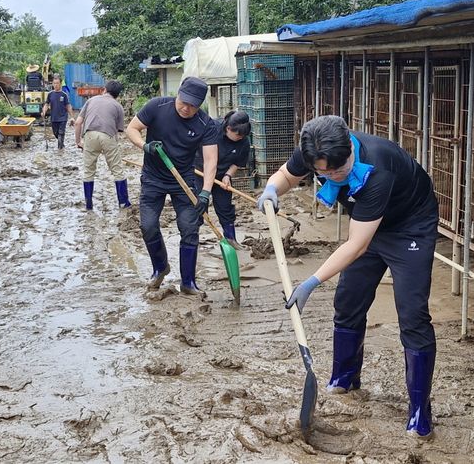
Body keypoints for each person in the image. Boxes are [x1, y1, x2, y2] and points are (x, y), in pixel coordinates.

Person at [256, 115, 438, 439]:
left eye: (336, 172)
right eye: (321, 172)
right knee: (349, 300)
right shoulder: (315, 148)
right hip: (366, 225)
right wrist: (271, 189)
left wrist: (311, 281)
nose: (328, 176)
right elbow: (287, 174)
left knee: (412, 314)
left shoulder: (378, 167)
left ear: (349, 153)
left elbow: (356, 245)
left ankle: (420, 411)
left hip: (409, 226)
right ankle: (344, 378)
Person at [126, 76, 219, 294]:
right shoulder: (157, 107)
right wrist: (144, 146)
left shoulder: (206, 124)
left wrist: (205, 193)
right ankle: (160, 268)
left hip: (183, 181)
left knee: (189, 228)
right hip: (152, 178)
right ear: (178, 94)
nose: (186, 108)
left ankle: (188, 283)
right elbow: (132, 128)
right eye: (183, 102)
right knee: (148, 226)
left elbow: (210, 160)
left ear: (200, 105)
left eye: (192, 105)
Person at [194, 110, 251, 250]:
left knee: (225, 207)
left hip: (221, 176)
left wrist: (228, 175)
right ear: (228, 128)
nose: (241, 137)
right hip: (200, 172)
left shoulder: (243, 142)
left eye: (243, 135)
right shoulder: (212, 129)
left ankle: (231, 239)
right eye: (238, 135)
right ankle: (191, 239)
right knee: (198, 206)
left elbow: (238, 162)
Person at [74, 80, 130, 210]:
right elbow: (118, 131)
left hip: (89, 135)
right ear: (117, 95)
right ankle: (123, 203)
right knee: (117, 170)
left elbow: (78, 123)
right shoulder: (118, 106)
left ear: (104, 90)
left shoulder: (91, 101)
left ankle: (89, 205)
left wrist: (78, 142)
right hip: (108, 136)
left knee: (88, 171)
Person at [42, 77, 75, 150]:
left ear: (60, 84)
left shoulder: (64, 94)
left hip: (63, 117)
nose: (56, 85)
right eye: (54, 83)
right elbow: (47, 104)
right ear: (52, 84)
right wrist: (44, 111)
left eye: (57, 83)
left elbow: (68, 106)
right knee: (55, 133)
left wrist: (72, 117)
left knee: (61, 132)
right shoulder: (50, 94)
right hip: (54, 117)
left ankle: (60, 149)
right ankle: (61, 144)